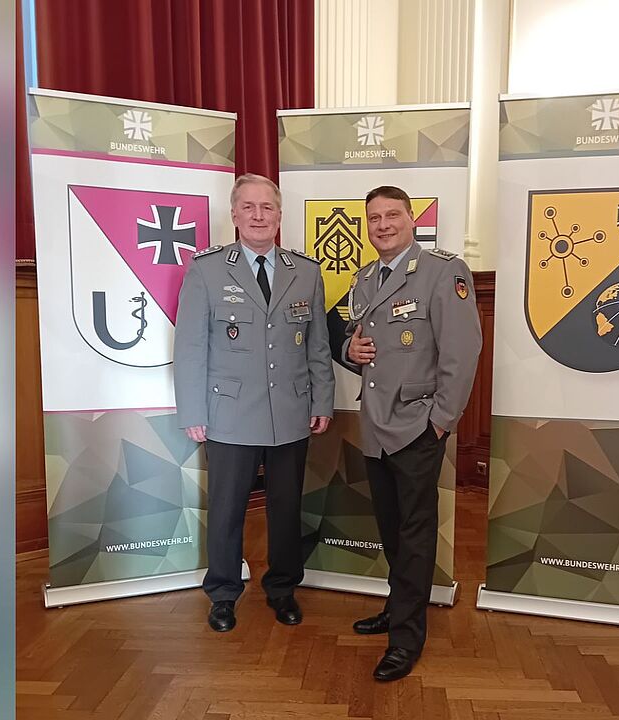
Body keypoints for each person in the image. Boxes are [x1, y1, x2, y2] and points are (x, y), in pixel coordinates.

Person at [173, 173, 334, 632]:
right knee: (227, 510)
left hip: (290, 411)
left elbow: (317, 345)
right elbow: (190, 347)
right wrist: (193, 411)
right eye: (249, 207)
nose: (258, 215)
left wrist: (322, 400)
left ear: (280, 215)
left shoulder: (306, 272)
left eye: (267, 207)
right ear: (234, 215)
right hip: (229, 413)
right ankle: (223, 594)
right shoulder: (206, 270)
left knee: (285, 509)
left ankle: (282, 588)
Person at [342, 185, 481, 680]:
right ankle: (397, 606)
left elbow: (462, 352)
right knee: (390, 527)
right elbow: (360, 341)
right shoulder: (365, 277)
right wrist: (349, 351)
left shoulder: (444, 271)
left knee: (415, 533)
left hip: (418, 425)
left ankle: (406, 638)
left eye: (392, 215)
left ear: (411, 219)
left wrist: (441, 422)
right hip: (376, 425)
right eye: (374, 218)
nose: (383, 225)